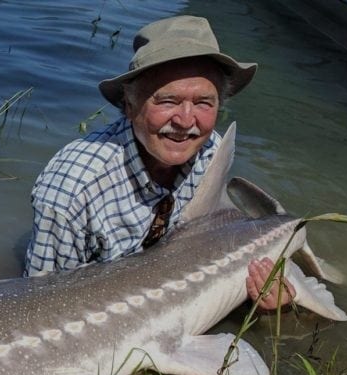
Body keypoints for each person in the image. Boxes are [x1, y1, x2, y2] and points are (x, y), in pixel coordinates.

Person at [23, 15, 293, 310]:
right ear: (129, 106)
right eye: (167, 101)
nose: (186, 121)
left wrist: (267, 301)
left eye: (203, 103)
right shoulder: (71, 191)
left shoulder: (210, 148)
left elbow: (206, 238)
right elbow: (38, 306)